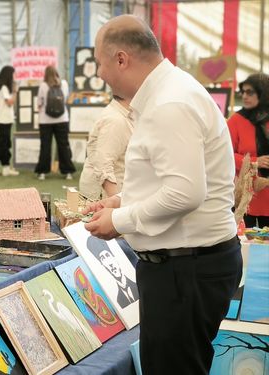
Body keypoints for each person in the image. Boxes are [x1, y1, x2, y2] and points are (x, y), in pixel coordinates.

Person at [84, 15, 242, 375]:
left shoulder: (169, 103)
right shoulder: (169, 93)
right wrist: (122, 201)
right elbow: (169, 180)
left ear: (121, 58)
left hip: (186, 267)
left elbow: (185, 192)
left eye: (100, 62)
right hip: (186, 266)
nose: (100, 73)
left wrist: (120, 221)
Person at [227, 73, 269, 228]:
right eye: (242, 92)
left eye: (250, 92)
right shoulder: (235, 121)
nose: (244, 96)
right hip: (246, 196)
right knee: (247, 244)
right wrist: (254, 162)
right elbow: (225, 155)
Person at [79, 96, 133, 199]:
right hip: (104, 195)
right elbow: (104, 165)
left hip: (105, 193)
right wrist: (117, 202)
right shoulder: (117, 120)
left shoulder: (120, 115)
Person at [34, 65, 75, 180]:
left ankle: (42, 172)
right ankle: (68, 172)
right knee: (63, 145)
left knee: (45, 146)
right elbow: (65, 99)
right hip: (62, 119)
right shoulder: (64, 84)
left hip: (45, 120)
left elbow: (39, 103)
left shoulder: (43, 85)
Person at [86, 236, 138, 308]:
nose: (109, 263)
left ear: (114, 257)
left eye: (107, 255)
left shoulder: (137, 284)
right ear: (103, 265)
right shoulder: (118, 300)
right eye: (103, 259)